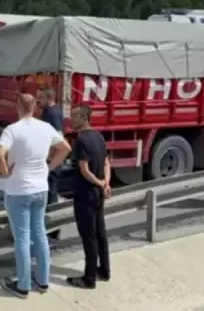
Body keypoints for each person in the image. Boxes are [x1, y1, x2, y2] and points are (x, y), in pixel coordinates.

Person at [0, 93, 71, 298]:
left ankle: (23, 284)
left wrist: (5, 173)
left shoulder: (12, 130)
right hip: (40, 188)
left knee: (22, 238)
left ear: (17, 106)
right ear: (35, 107)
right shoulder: (45, 127)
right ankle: (43, 280)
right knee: (39, 233)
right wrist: (48, 167)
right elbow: (65, 148)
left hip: (18, 189)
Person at [67, 104, 111, 289]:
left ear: (84, 118)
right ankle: (105, 270)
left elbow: (84, 170)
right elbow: (107, 162)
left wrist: (100, 183)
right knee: (100, 233)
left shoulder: (81, 140)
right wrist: (105, 183)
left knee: (89, 237)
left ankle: (89, 278)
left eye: (75, 117)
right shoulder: (99, 136)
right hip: (99, 194)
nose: (71, 120)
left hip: (86, 195)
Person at [37, 88, 64, 238]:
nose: (38, 101)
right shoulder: (50, 112)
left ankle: (53, 229)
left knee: (50, 196)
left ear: (49, 98)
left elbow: (58, 140)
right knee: (49, 195)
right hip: (50, 162)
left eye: (40, 98)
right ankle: (51, 228)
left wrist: (49, 164)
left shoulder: (52, 114)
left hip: (51, 163)